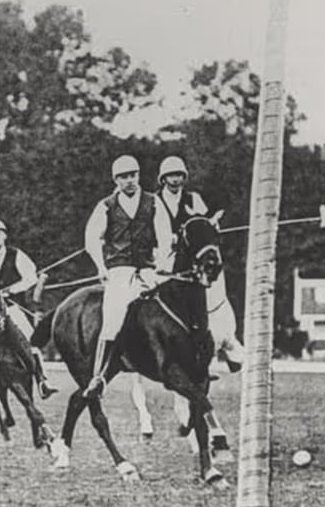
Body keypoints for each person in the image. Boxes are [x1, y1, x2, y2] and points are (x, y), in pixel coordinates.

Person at [82, 154, 172, 398]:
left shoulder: (154, 202)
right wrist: (101, 267)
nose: (129, 180)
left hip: (148, 268)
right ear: (116, 180)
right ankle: (98, 377)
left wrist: (162, 263)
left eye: (132, 175)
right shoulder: (106, 206)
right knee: (112, 319)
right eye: (123, 177)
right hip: (119, 270)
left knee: (173, 303)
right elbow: (92, 239)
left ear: (138, 176)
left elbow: (165, 236)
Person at [157, 155, 245, 372]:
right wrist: (170, 237)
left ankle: (222, 338)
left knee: (214, 279)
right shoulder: (155, 201)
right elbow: (154, 229)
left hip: (191, 255)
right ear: (163, 179)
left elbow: (202, 223)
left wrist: (212, 225)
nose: (175, 180)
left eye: (179, 175)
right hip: (165, 254)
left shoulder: (193, 198)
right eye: (171, 176)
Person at [0, 218, 57, 405]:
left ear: (5, 235)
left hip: (11, 307)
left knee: (31, 338)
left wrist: (11, 290)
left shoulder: (17, 255)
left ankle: (42, 380)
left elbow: (30, 277)